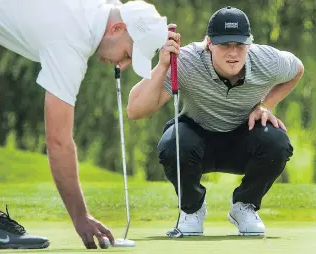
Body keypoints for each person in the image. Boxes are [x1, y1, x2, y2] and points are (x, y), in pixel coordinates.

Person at [0, 0, 172, 249]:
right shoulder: (72, 42)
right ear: (116, 29)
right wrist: (80, 217)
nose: (123, 64)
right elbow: (58, 142)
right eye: (129, 53)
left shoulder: (96, 11)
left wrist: (158, 35)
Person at [127, 6, 304, 236]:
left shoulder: (267, 60)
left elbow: (297, 69)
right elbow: (135, 110)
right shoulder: (186, 61)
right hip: (197, 139)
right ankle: (192, 209)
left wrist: (264, 106)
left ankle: (244, 206)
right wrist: (162, 65)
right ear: (209, 43)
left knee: (278, 142)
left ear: (249, 44)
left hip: (244, 138)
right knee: (173, 144)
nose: (233, 53)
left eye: (239, 45)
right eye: (224, 45)